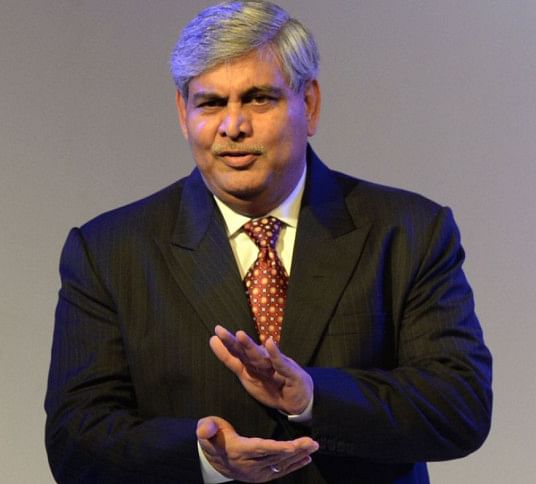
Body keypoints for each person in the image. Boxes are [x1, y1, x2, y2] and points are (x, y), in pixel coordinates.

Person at [44, 2, 492, 483]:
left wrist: (313, 397)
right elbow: (76, 439)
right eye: (211, 103)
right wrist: (203, 457)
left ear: (310, 104)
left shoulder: (407, 231)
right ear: (182, 112)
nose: (233, 126)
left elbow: (460, 406)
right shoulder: (109, 252)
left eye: (258, 99)